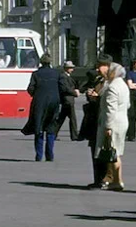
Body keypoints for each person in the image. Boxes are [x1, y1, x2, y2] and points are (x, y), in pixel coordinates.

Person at [95, 62, 131, 190]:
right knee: (116, 152)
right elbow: (127, 105)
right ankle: (115, 180)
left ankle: (118, 181)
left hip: (114, 122)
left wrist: (108, 126)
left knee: (113, 153)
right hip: (122, 120)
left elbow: (110, 109)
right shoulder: (123, 85)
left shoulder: (112, 87)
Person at [79, 55, 111, 187]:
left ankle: (106, 179)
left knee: (106, 152)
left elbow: (111, 101)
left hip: (104, 121)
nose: (97, 69)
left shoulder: (113, 82)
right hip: (94, 121)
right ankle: (97, 179)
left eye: (100, 66)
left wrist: (98, 97)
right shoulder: (98, 79)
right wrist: (90, 94)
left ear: (108, 66)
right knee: (95, 151)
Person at [27, 54, 65, 161]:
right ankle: (50, 155)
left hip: (39, 103)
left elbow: (30, 89)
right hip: (54, 102)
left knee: (38, 128)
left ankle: (39, 155)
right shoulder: (57, 74)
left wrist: (37, 94)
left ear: (41, 62)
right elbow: (63, 88)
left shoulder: (36, 74)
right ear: (50, 62)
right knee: (51, 128)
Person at [55, 61, 81, 141]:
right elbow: (65, 88)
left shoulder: (67, 76)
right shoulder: (63, 76)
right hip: (67, 100)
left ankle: (53, 134)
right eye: (71, 68)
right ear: (66, 68)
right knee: (72, 119)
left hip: (68, 100)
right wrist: (74, 93)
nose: (72, 69)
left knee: (61, 119)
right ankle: (74, 136)